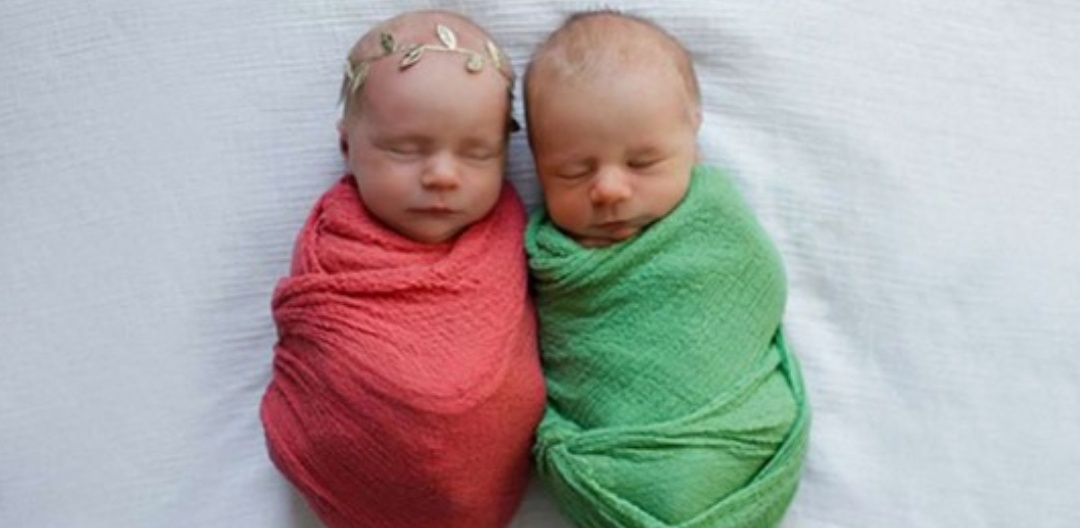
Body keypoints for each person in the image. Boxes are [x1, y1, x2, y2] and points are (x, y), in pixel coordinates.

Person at [523, 10, 810, 528]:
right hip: (606, 470)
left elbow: (757, 283)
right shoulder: (551, 261)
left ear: (692, 132)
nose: (609, 189)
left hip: (740, 442)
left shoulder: (716, 224)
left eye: (642, 163)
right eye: (573, 171)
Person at [259, 10, 545, 528]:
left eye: (478, 153)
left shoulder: (509, 232)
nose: (442, 176)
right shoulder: (336, 244)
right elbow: (322, 350)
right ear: (347, 146)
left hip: (489, 475)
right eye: (406, 150)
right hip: (360, 455)